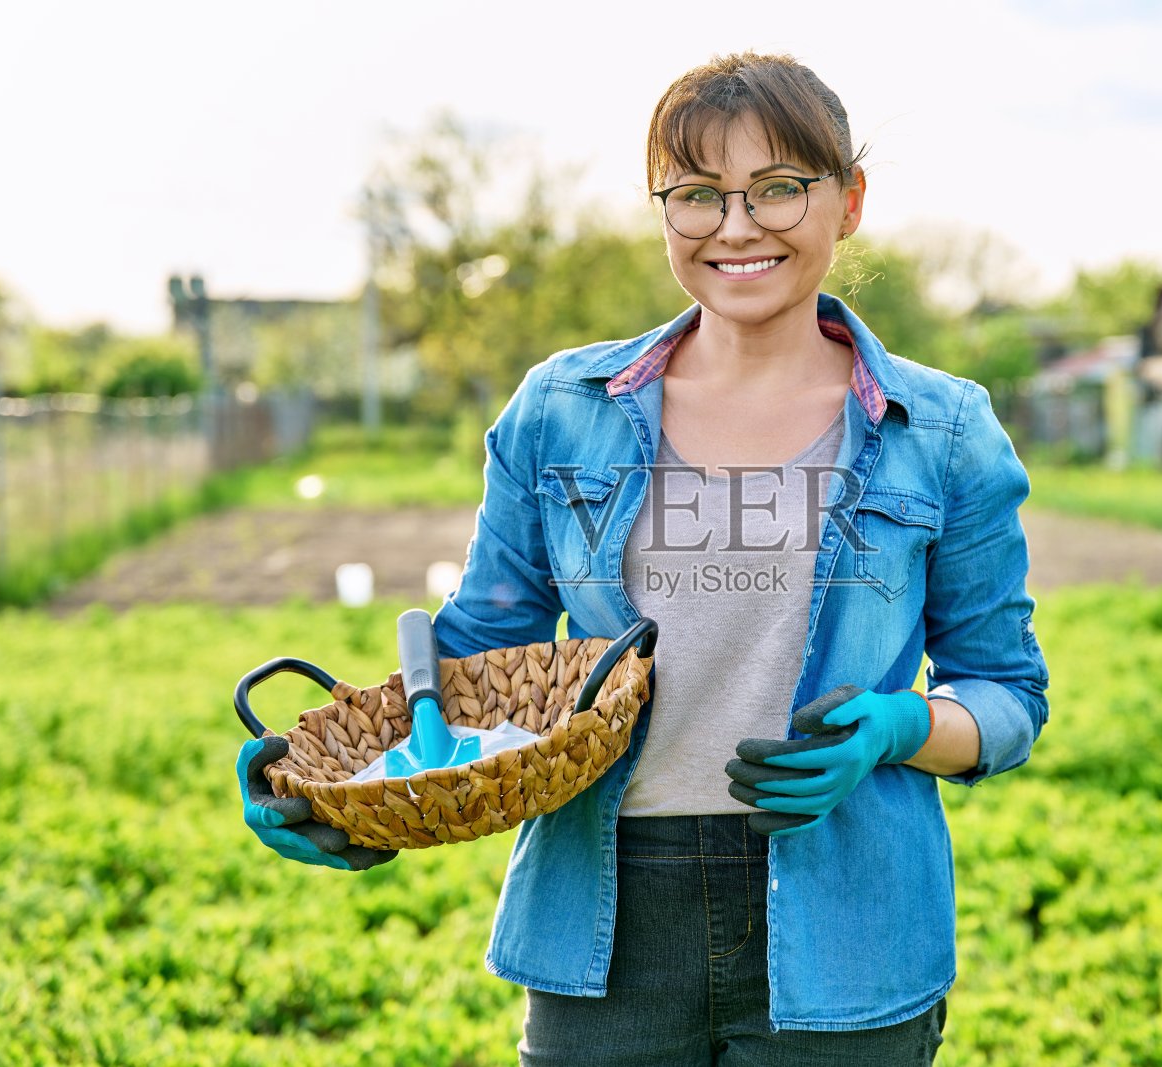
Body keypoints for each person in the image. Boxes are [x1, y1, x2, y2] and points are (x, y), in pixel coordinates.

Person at [238, 51, 1049, 1065]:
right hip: (604, 921)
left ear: (847, 202)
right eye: (697, 195)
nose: (736, 225)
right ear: (662, 211)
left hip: (848, 926)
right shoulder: (561, 412)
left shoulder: (943, 429)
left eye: (779, 188)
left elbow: (1007, 694)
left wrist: (895, 726)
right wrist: (344, 780)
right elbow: (483, 660)